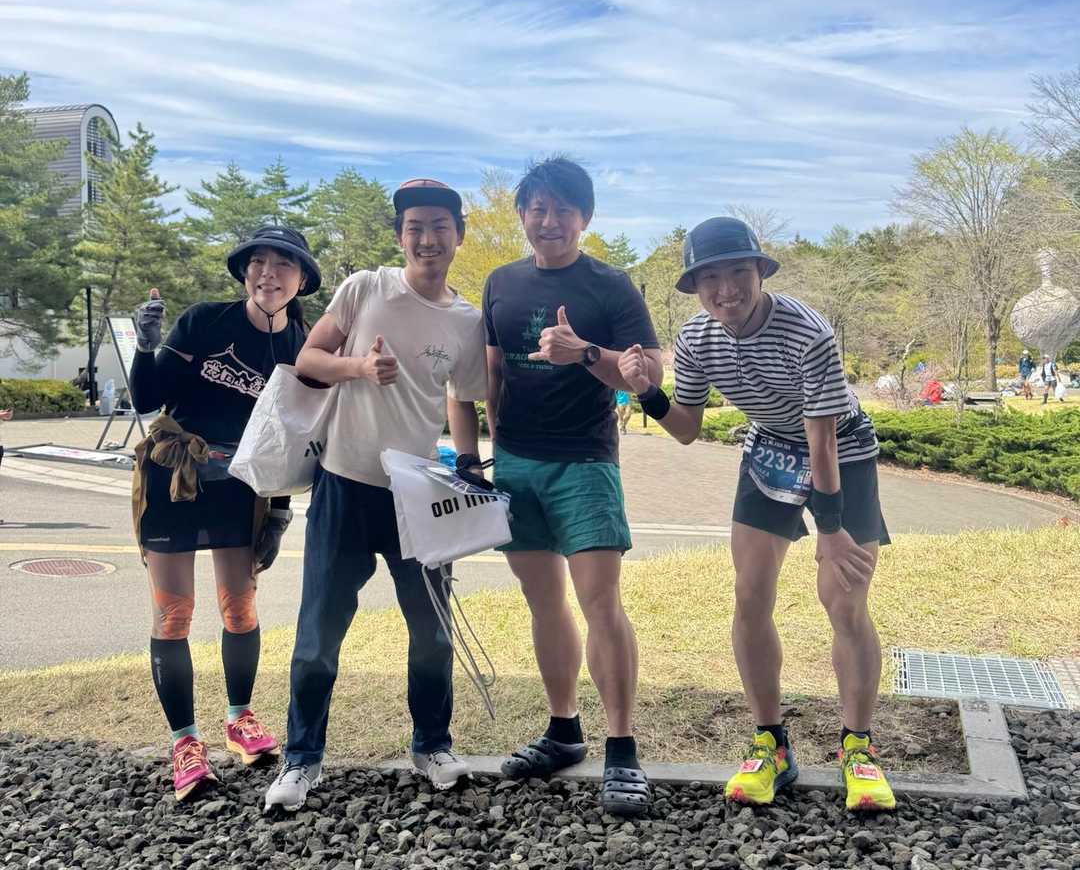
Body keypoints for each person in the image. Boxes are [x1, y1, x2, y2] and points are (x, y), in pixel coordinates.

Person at [619, 217, 896, 814]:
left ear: (760, 272)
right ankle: (771, 743)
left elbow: (821, 437)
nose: (726, 290)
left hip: (842, 452)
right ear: (694, 287)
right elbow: (686, 430)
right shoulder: (696, 338)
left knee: (844, 600)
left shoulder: (807, 331)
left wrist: (830, 529)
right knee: (749, 595)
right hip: (769, 450)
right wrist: (646, 393)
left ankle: (858, 747)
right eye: (710, 279)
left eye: (738, 272)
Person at [264, 179, 488, 812]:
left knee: (434, 632)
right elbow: (310, 358)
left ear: (458, 235)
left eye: (439, 226)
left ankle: (432, 745)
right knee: (318, 633)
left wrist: (469, 465)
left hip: (418, 494)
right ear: (400, 236)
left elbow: (462, 399)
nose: (427, 238)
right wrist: (359, 367)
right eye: (415, 227)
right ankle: (302, 758)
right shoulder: (365, 287)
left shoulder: (467, 320)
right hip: (343, 483)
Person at [483, 157, 663, 818]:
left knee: (600, 603)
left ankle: (622, 748)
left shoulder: (610, 286)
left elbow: (648, 375)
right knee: (543, 602)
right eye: (538, 208)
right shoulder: (500, 283)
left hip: (585, 463)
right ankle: (563, 730)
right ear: (523, 215)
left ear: (584, 217)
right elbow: (491, 371)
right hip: (516, 463)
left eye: (563, 209)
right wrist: (489, 451)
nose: (549, 220)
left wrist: (585, 352)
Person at [129, 226, 320, 801]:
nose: (268, 273)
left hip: (245, 487)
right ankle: (185, 742)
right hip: (176, 476)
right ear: (244, 272)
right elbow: (147, 399)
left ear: (302, 279)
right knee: (174, 614)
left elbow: (294, 440)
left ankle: (240, 718)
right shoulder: (205, 321)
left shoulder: (305, 346)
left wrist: (280, 513)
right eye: (257, 262)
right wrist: (145, 347)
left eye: (283, 264)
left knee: (240, 607)